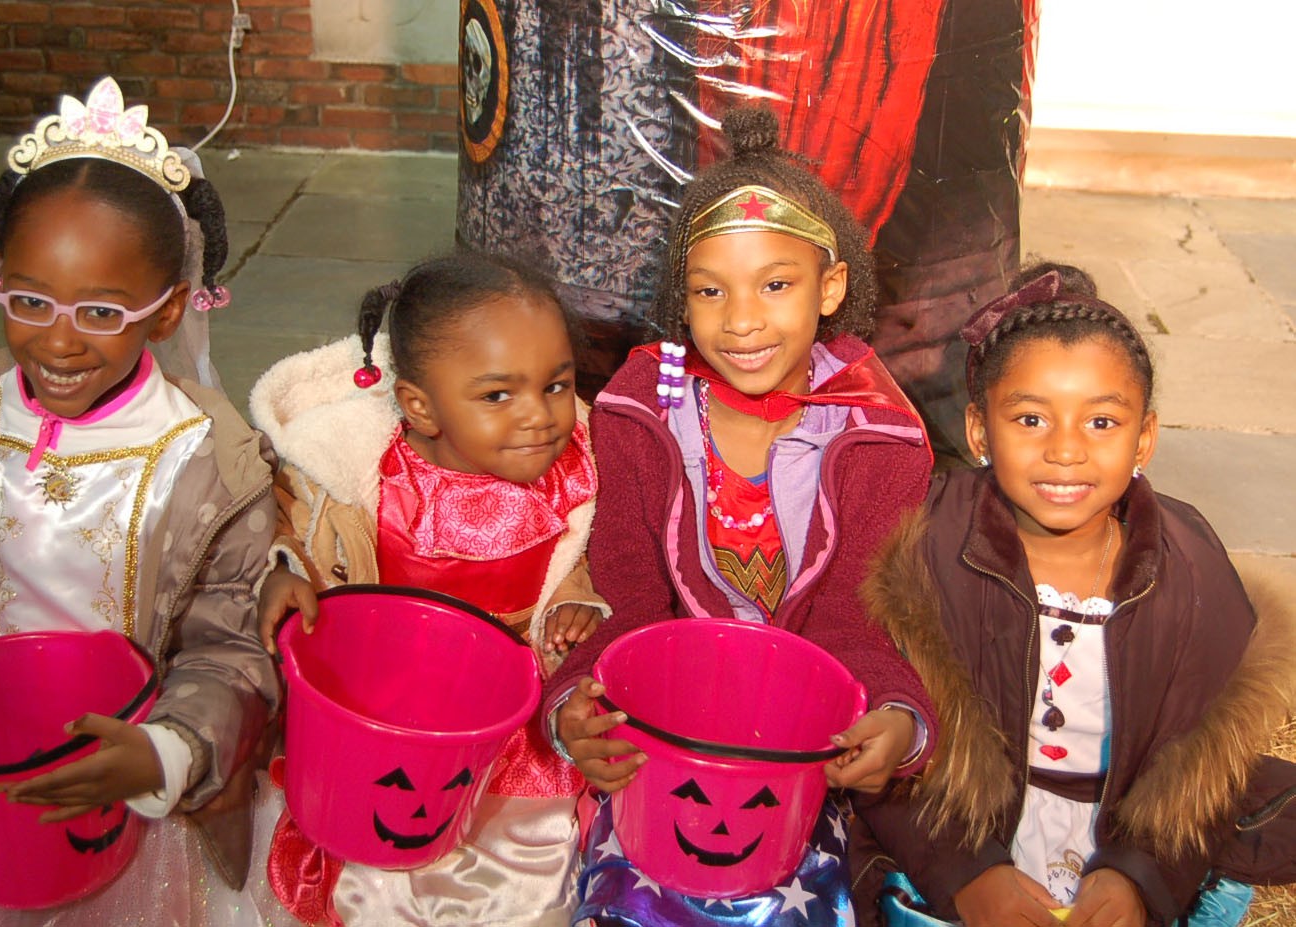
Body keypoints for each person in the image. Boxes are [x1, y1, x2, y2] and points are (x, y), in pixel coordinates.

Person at [0, 77, 283, 926]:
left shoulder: (206, 464)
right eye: (29, 299)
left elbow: (229, 643)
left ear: (167, 311)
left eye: (102, 311)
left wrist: (164, 751)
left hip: (136, 787)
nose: (57, 338)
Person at [550, 105, 938, 927]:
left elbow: (855, 620)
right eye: (708, 290)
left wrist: (897, 719)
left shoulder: (878, 435)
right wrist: (574, 704)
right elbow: (631, 598)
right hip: (665, 732)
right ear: (680, 297)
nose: (740, 320)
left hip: (796, 747)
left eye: (775, 284)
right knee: (631, 898)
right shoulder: (641, 411)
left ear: (830, 286)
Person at [853, 262, 1296, 927]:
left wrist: (1137, 877)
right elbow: (894, 737)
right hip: (957, 830)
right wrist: (967, 876)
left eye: (1101, 422)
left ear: (1144, 437)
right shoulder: (922, 555)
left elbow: (1200, 772)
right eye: (1031, 418)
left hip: (1124, 833)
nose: (1065, 451)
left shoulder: (1190, 573)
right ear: (979, 431)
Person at [248, 251, 609, 926]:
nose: (539, 415)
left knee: (520, 882)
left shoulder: (576, 477)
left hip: (510, 731)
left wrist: (573, 605)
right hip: (387, 715)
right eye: (497, 395)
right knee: (378, 872)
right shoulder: (366, 471)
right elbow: (294, 518)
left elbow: (589, 558)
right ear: (419, 405)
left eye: (556, 385)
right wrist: (286, 569)